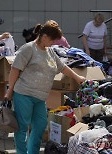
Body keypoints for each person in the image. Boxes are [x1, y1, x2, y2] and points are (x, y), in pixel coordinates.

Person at [5, 20, 86, 154]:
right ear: (44, 37)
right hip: (24, 94)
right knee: (22, 127)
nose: (53, 43)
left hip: (40, 97)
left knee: (40, 126)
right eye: (52, 40)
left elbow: (62, 67)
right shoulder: (28, 49)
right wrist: (9, 91)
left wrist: (78, 78)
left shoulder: (50, 52)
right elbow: (15, 70)